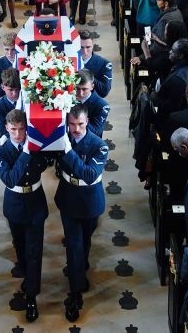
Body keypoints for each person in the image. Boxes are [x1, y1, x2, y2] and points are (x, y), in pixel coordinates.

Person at [0, 109, 49, 321]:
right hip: (14, 204)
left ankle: (31, 297)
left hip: (35, 201)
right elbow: (10, 179)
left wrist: (33, 149)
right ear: (6, 128)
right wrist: (25, 153)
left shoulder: (35, 144)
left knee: (34, 251)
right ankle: (24, 269)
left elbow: (44, 164)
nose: (17, 134)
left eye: (22, 129)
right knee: (20, 246)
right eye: (13, 129)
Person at [54, 104, 107, 321]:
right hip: (69, 198)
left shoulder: (99, 145)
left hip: (90, 200)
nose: (76, 129)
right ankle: (75, 294)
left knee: (85, 238)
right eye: (72, 124)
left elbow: (89, 173)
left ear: (87, 122)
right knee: (74, 244)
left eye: (81, 124)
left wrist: (67, 151)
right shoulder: (62, 139)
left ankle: (81, 265)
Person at [152, 39, 188, 127]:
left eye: (173, 51)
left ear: (180, 55)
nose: (170, 52)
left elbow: (172, 109)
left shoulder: (177, 80)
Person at [0, 32, 17, 99]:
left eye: (13, 49)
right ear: (3, 48)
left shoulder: (26, 60)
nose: (9, 53)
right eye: (7, 49)